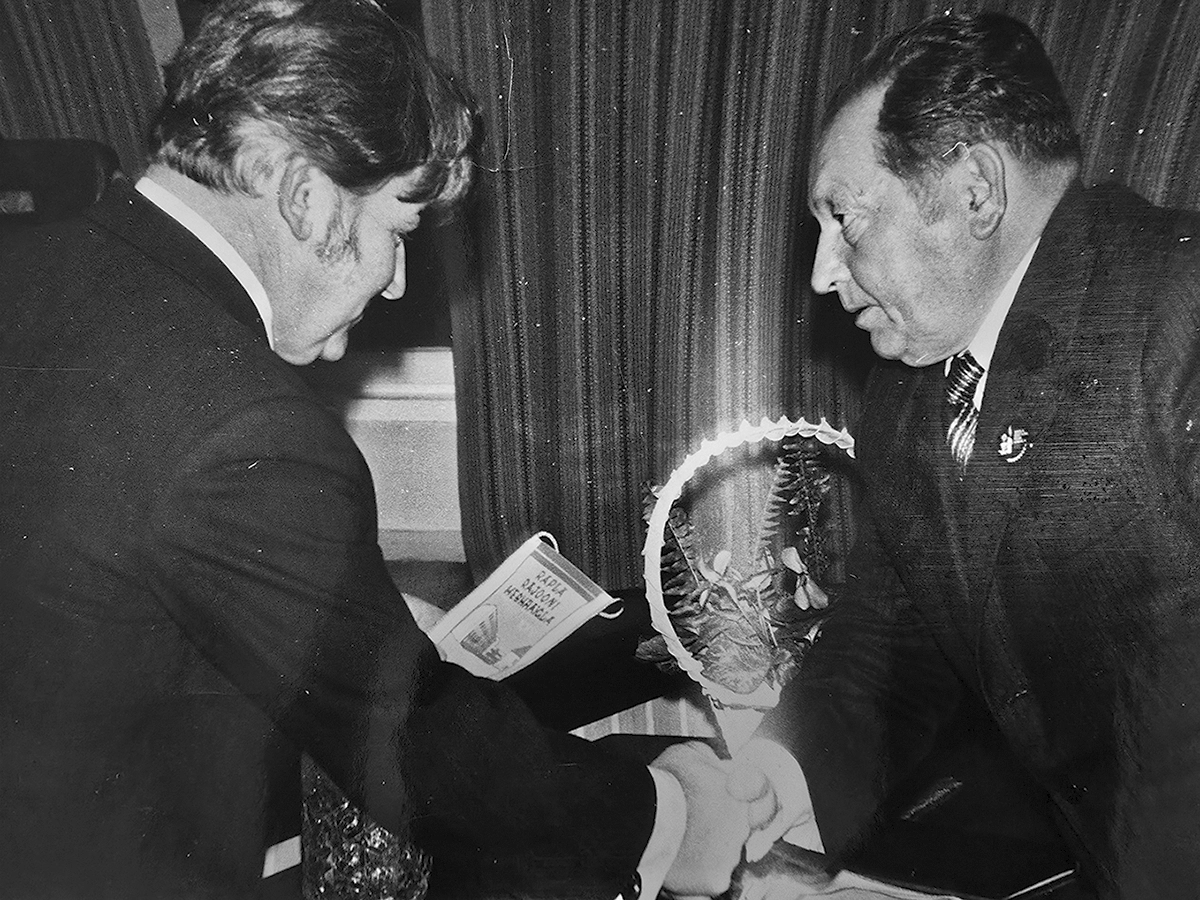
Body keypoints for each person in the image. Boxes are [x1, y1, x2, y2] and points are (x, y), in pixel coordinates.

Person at [0, 1, 753, 897]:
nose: (396, 284)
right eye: (397, 231)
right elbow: (411, 745)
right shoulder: (247, 424)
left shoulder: (28, 268)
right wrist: (668, 818)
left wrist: (349, 608)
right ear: (305, 196)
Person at [703, 11, 1200, 900]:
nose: (821, 273)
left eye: (845, 219)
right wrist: (776, 777)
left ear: (976, 191)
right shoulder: (910, 395)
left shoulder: (1180, 309)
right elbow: (893, 647)